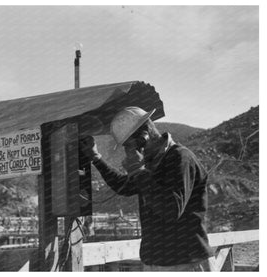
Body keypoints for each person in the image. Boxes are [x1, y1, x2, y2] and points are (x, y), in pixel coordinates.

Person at [80, 106, 214, 271]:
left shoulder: (180, 158)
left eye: (129, 146)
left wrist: (139, 171)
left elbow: (172, 209)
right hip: (156, 262)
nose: (128, 152)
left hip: (185, 262)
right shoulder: (152, 163)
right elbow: (124, 186)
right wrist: (96, 158)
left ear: (143, 138)